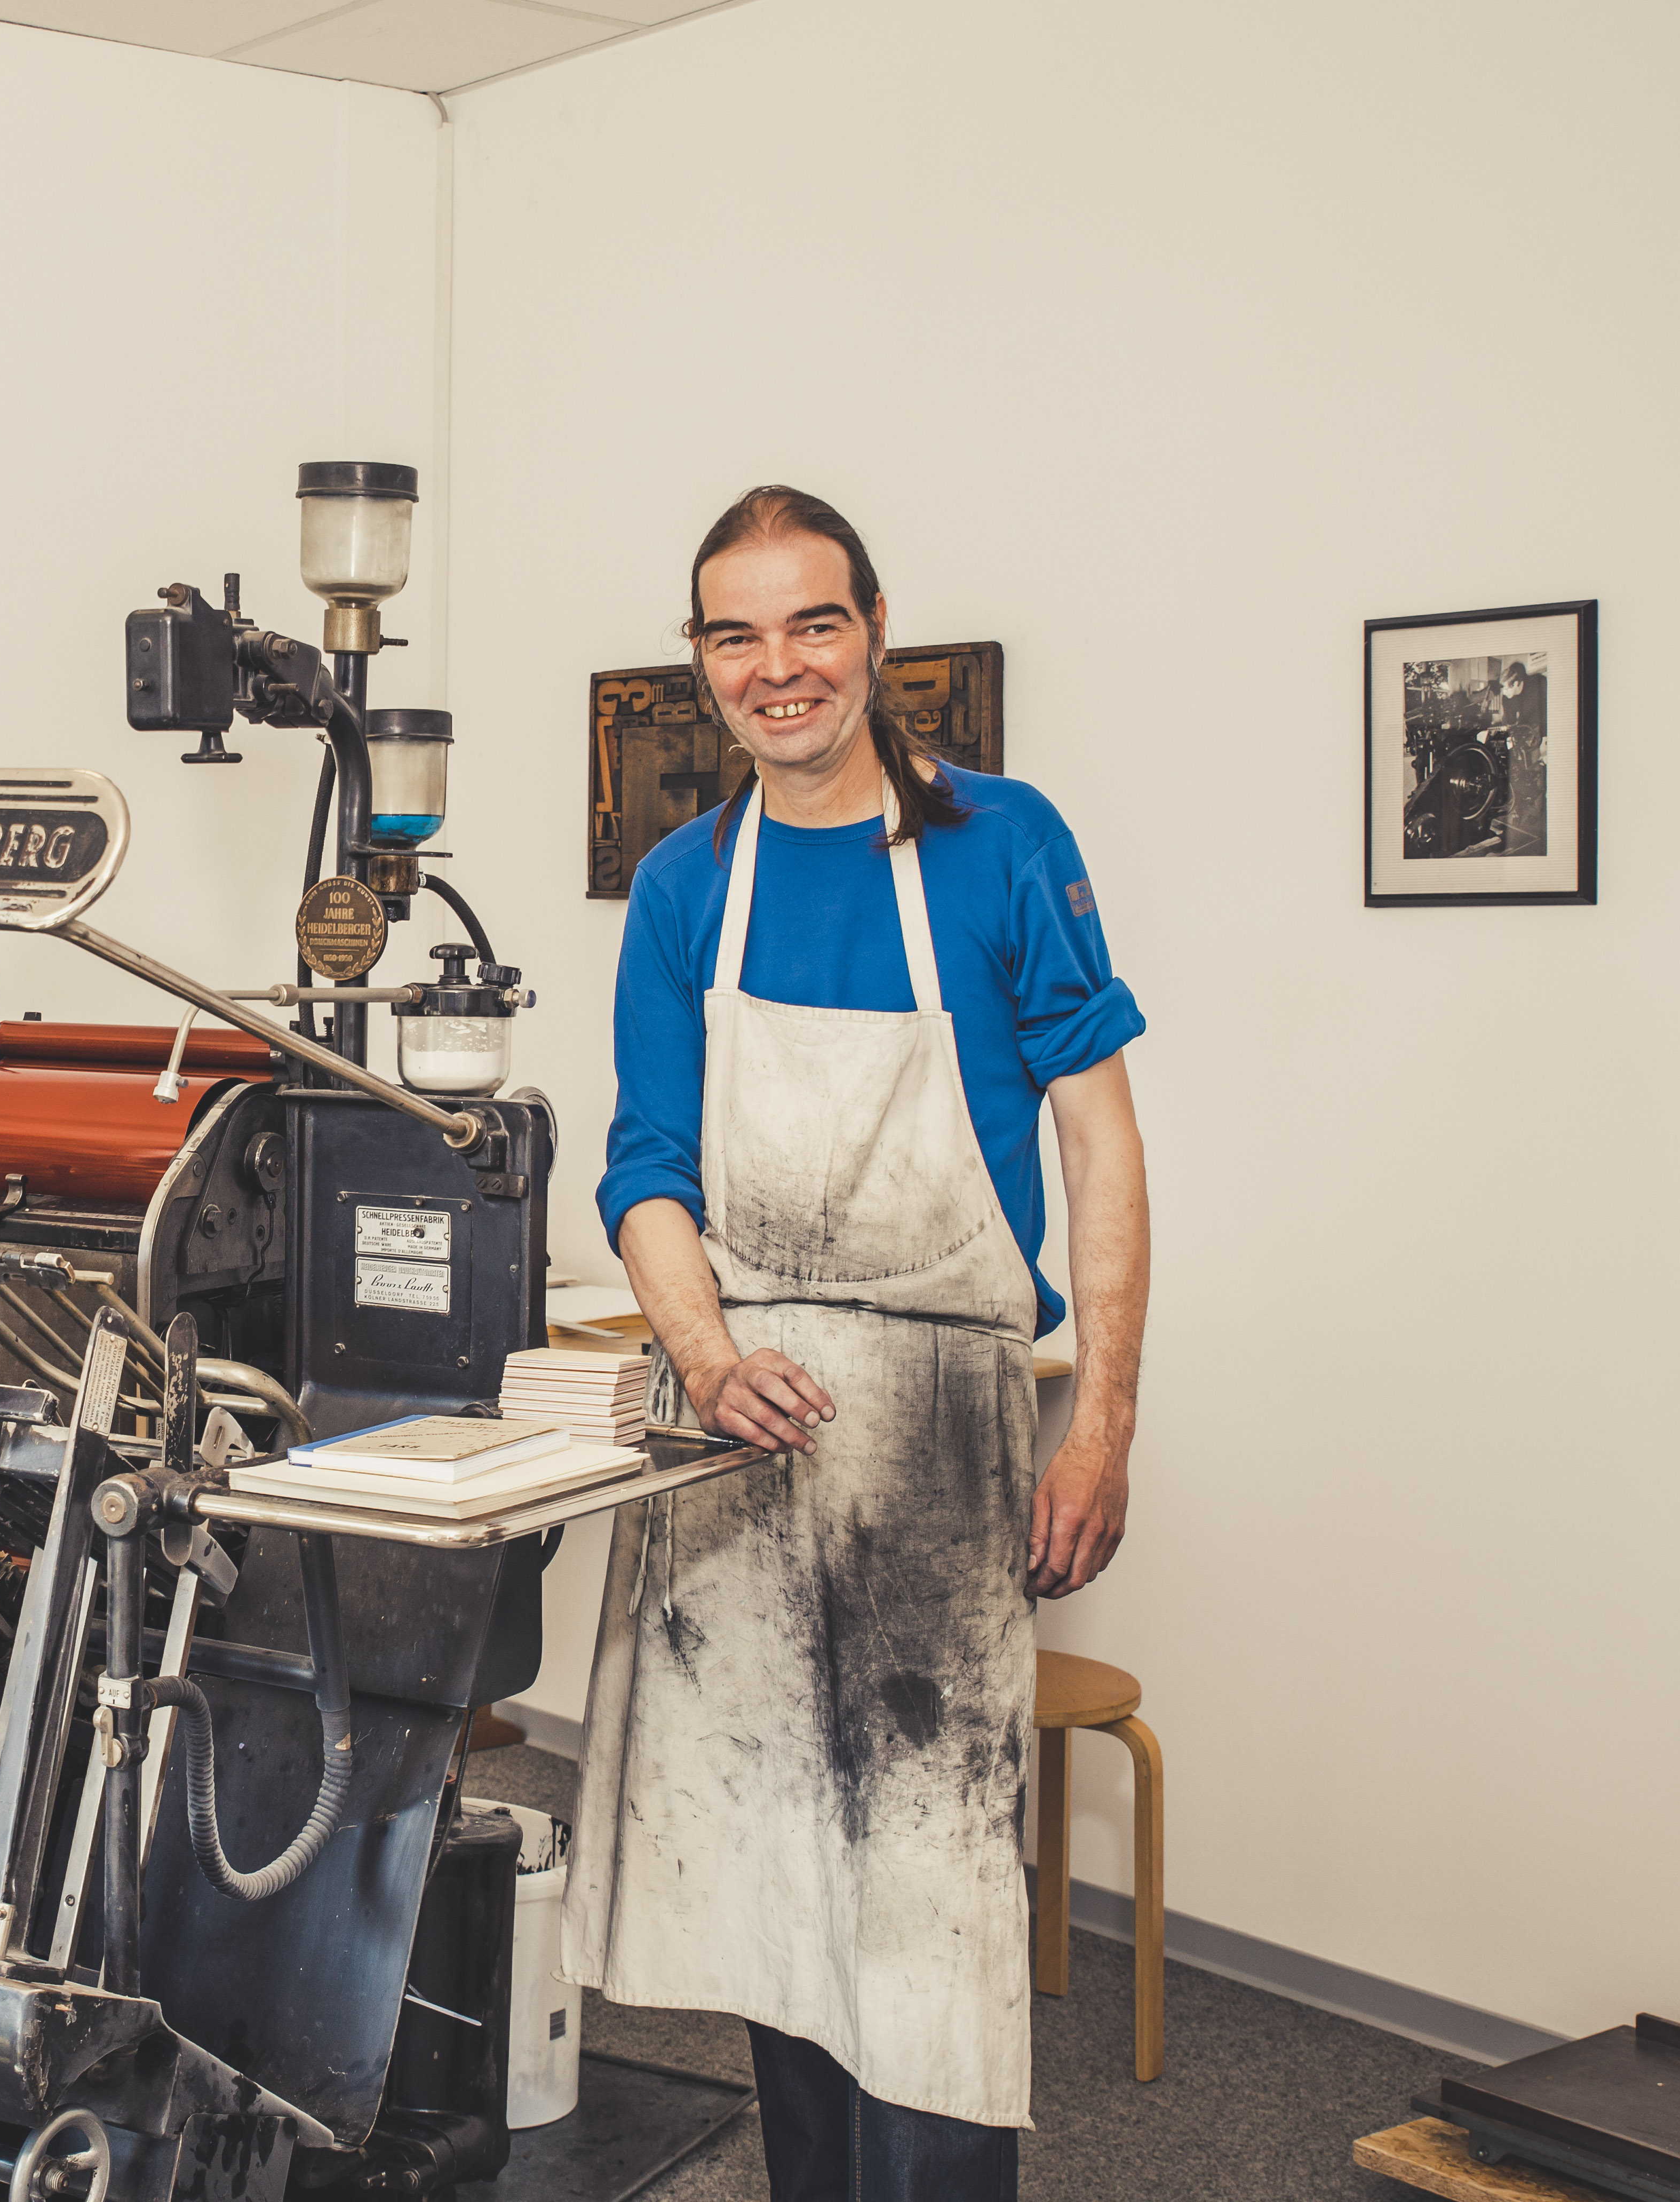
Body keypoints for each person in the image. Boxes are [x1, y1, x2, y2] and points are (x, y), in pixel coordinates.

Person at [563, 486, 1151, 2201]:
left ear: (874, 630)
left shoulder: (1005, 843)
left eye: (811, 624)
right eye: (737, 636)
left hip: (936, 1444)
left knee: (927, 1909)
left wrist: (1100, 1419)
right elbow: (645, 1167)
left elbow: (1102, 1149)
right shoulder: (688, 887)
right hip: (742, 1439)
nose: (779, 668)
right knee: (771, 1897)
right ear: (701, 664)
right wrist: (701, 1348)